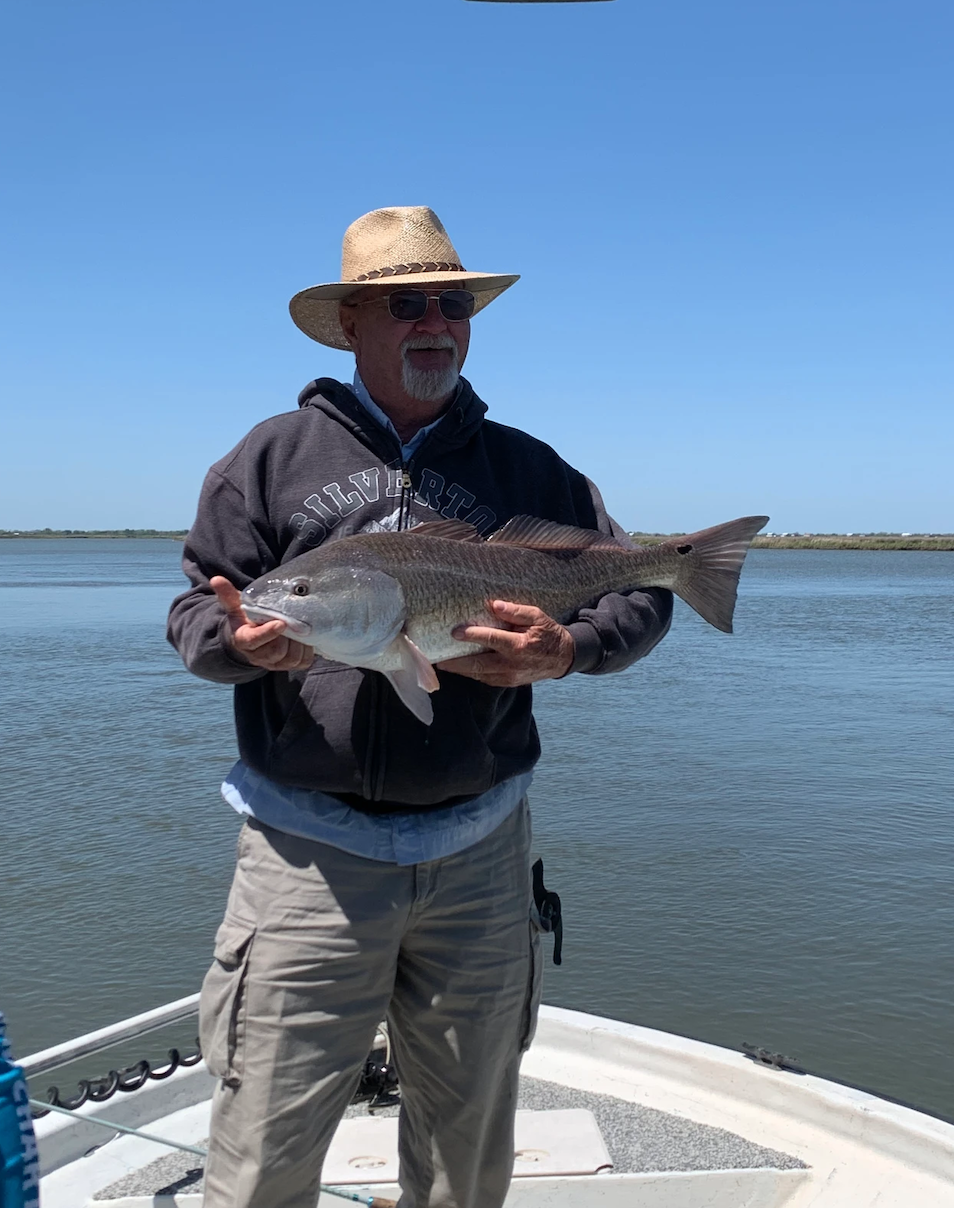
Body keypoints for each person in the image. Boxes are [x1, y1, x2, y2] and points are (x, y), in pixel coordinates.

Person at [167, 206, 673, 1208]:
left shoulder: (532, 470)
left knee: (466, 1152)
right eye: (406, 305)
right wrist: (240, 644)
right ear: (353, 321)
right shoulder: (265, 461)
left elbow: (643, 587)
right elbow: (197, 611)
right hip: (306, 857)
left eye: (451, 302)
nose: (434, 322)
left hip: (479, 854)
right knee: (263, 1148)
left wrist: (570, 648)